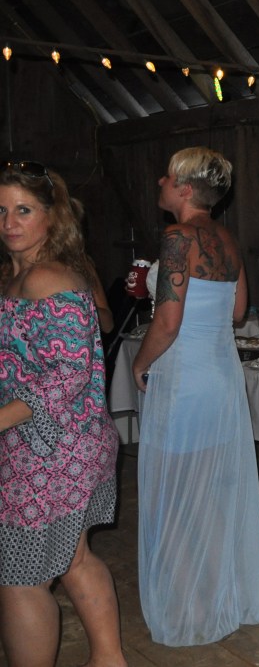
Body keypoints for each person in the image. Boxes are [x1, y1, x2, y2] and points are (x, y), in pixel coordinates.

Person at [131, 147, 259, 645]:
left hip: (184, 378)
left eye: (167, 178)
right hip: (221, 376)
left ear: (186, 189)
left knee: (175, 488)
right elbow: (238, 312)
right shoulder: (227, 239)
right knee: (210, 489)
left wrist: (140, 363)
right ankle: (218, 594)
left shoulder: (177, 237)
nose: (160, 183)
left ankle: (189, 608)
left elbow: (167, 323)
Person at [0, 160, 126, 666]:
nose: (9, 222)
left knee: (20, 577)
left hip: (55, 449)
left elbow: (68, 374)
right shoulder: (19, 275)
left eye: (23, 210)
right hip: (58, 443)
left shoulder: (47, 276)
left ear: (52, 217)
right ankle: (110, 660)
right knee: (73, 557)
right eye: (1, 210)